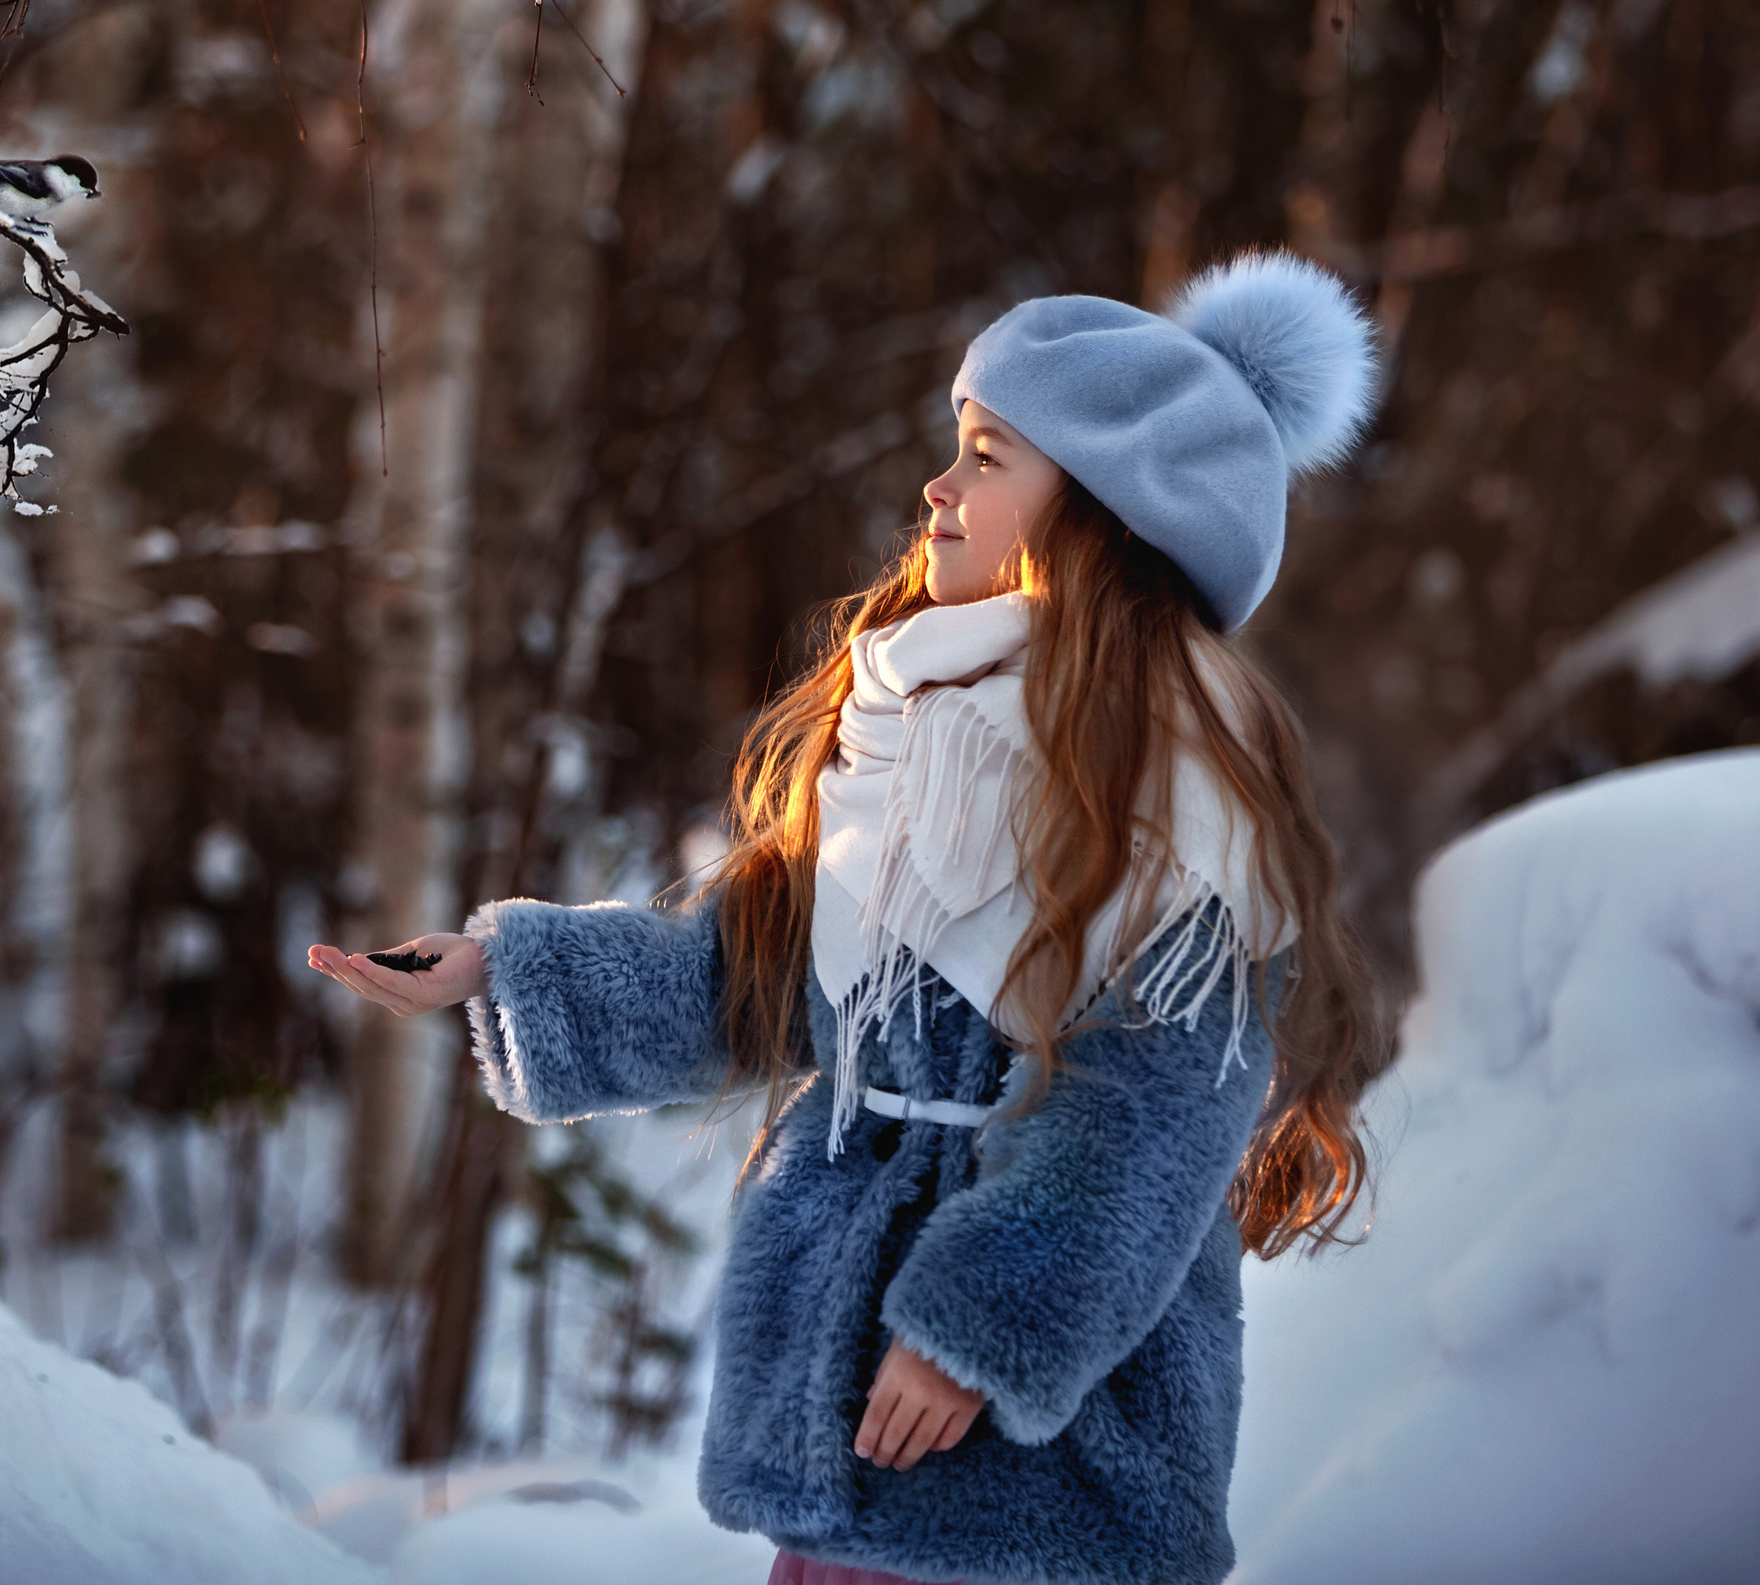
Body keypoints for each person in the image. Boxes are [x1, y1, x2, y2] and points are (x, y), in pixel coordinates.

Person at [310, 251, 1395, 1585]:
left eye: (988, 457)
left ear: (1111, 513)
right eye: (957, 448)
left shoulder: (1185, 810)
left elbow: (1151, 1119)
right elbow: (763, 971)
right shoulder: (914, 731)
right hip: (843, 1404)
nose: (937, 490)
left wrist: (977, 1329)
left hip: (1036, 1459)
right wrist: (505, 970)